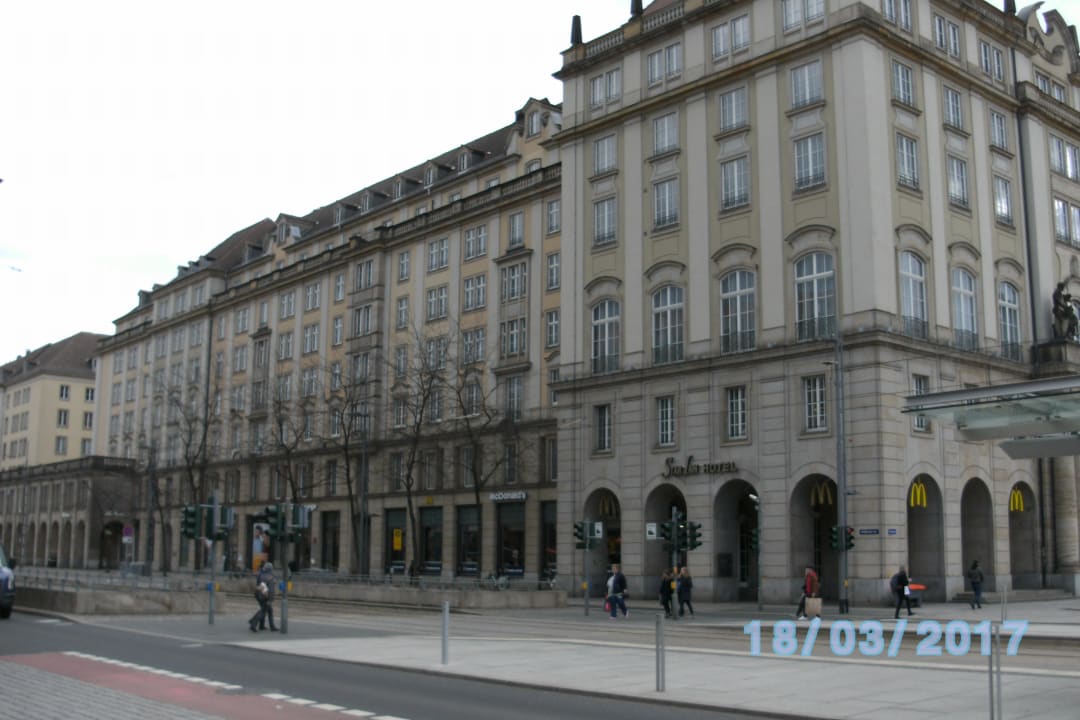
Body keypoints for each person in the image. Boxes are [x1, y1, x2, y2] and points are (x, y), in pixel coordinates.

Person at [255, 561, 279, 631]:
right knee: (267, 611)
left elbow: (258, 586)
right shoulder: (270, 577)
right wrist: (270, 599)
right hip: (266, 597)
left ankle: (262, 626)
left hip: (260, 596)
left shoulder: (260, 575)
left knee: (265, 610)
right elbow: (271, 590)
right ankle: (271, 627)